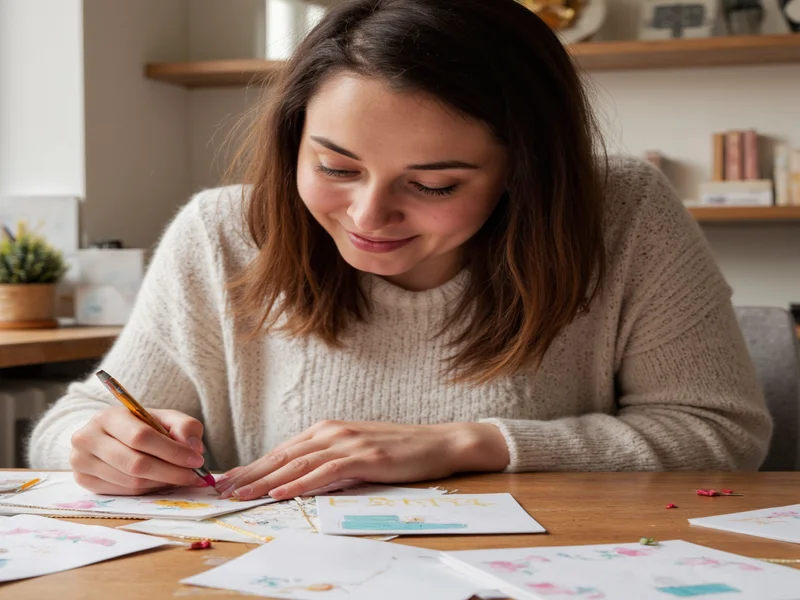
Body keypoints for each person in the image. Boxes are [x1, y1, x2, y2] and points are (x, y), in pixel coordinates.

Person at [28, 0, 772, 500]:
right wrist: (101, 447)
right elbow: (71, 425)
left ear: (524, 174)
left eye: (436, 184)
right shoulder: (223, 232)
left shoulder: (624, 213)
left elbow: (721, 435)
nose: (368, 214)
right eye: (336, 167)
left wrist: (467, 443)